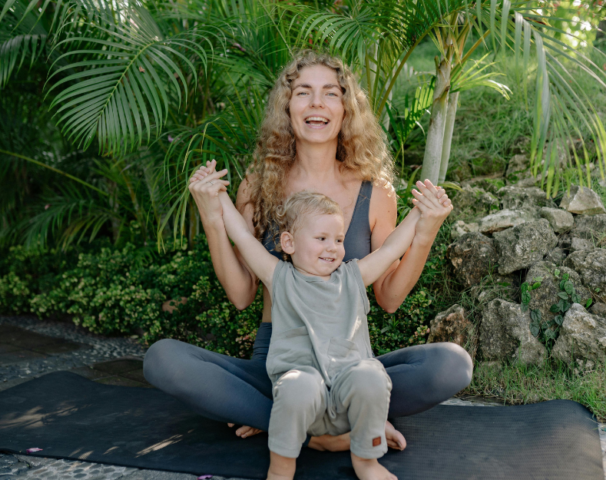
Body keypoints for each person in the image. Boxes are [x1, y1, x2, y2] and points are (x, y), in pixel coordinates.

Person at [143, 50, 473, 455]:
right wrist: (214, 219)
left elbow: (388, 298)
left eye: (330, 94)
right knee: (163, 359)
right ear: (287, 107)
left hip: (349, 361)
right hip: (279, 362)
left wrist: (424, 233)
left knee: (452, 364)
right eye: (303, 93)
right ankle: (319, 425)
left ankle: (279, 418)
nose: (316, 103)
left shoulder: (375, 192)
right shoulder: (258, 185)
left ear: (346, 108)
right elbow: (242, 294)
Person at [217, 189, 440, 480]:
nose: (333, 248)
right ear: (289, 243)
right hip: (302, 399)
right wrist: (217, 196)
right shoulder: (279, 278)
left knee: (372, 376)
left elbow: (390, 250)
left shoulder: (351, 277)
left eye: (338, 240)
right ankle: (280, 473)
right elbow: (241, 236)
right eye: (321, 238)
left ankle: (365, 460)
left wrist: (420, 212)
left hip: (349, 400)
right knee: (298, 385)